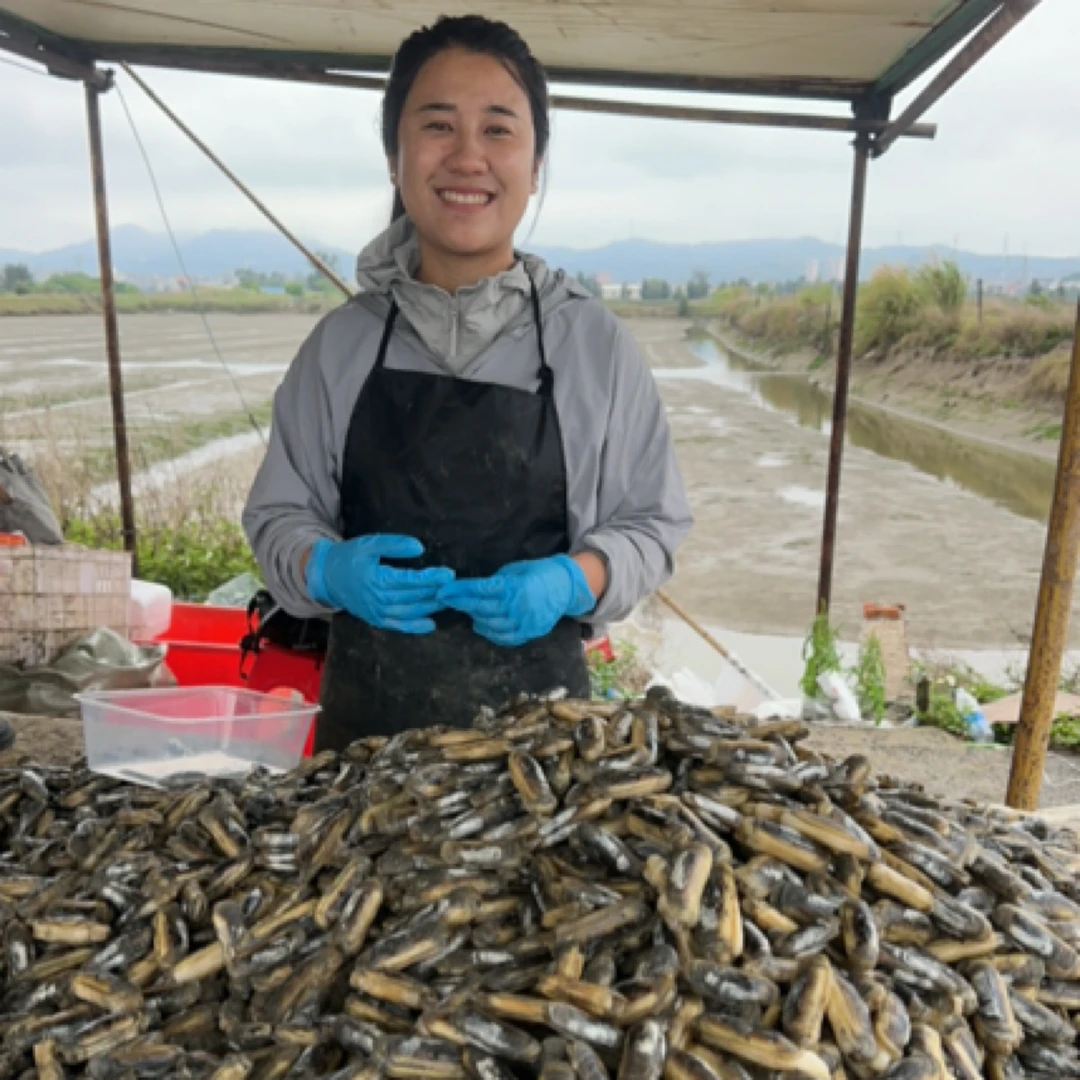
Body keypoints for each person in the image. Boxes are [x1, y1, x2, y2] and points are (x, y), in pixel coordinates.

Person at [243, 15, 692, 750]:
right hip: (362, 761)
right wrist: (325, 568)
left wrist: (575, 582)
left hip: (540, 762)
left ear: (536, 163)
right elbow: (277, 517)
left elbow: (652, 524)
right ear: (396, 156)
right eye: (438, 125)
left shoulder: (595, 348)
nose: (467, 157)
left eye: (498, 130)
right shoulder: (340, 347)